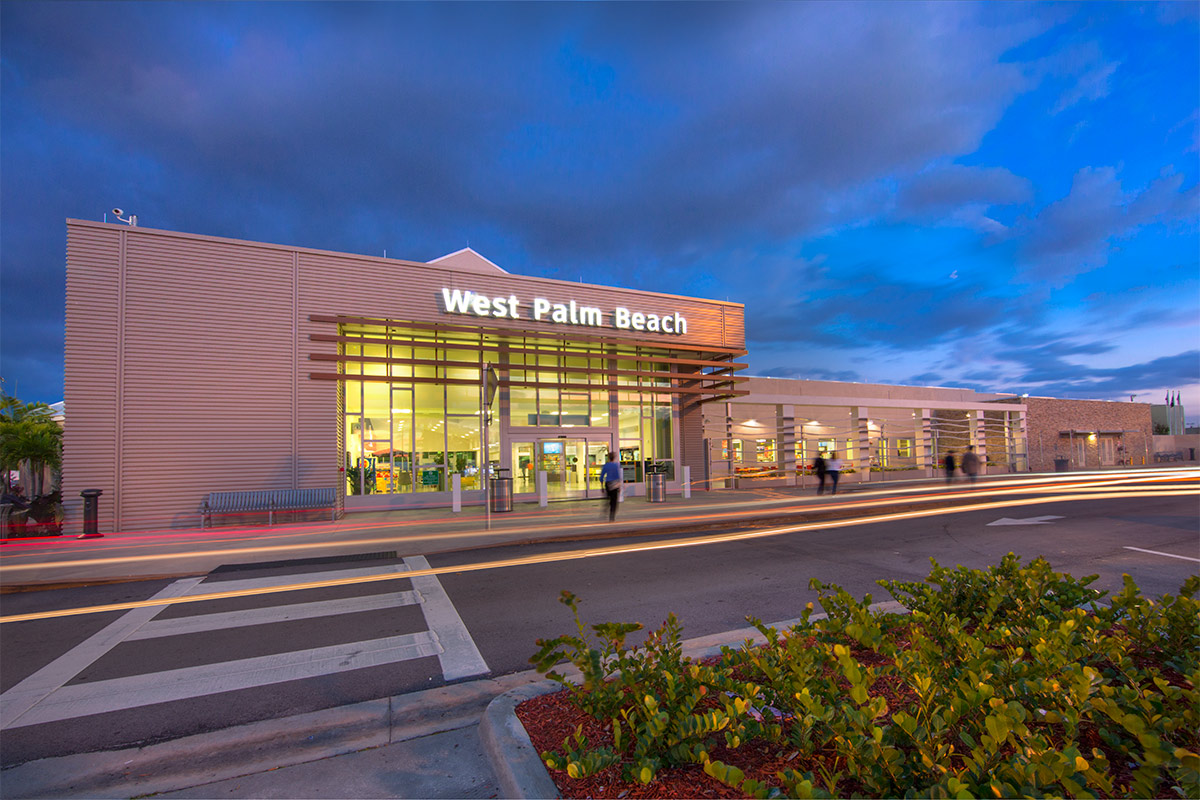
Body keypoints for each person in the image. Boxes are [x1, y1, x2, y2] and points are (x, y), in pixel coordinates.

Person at [599, 452, 622, 521]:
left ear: (608, 458)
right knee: (614, 501)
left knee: (608, 499)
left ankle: (605, 510)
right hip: (615, 484)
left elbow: (602, 477)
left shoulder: (606, 466)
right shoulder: (616, 466)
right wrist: (619, 487)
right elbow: (618, 476)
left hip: (608, 484)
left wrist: (602, 487)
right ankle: (612, 516)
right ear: (614, 457)